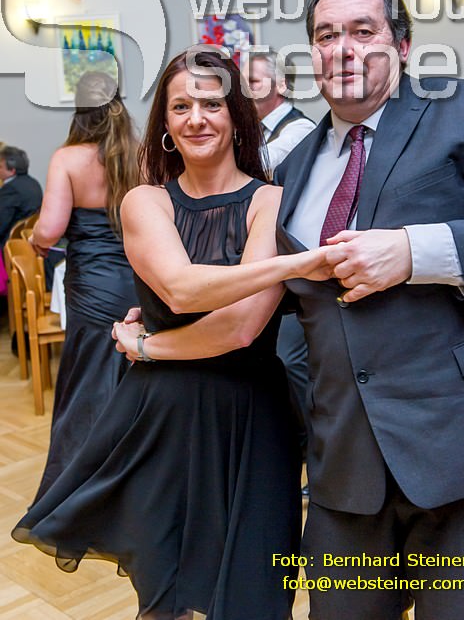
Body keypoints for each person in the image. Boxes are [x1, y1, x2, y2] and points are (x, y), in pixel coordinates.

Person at [12, 48, 338, 620]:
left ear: (236, 115)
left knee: (256, 594)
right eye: (180, 106)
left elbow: (241, 326)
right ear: (164, 123)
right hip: (164, 414)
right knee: (163, 596)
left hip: (253, 416)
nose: (196, 118)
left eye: (211, 104)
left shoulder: (272, 200)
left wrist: (147, 345)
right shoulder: (145, 201)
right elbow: (183, 291)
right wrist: (292, 264)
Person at [273, 0, 464, 620]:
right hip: (344, 470)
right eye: (325, 35)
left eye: (362, 31)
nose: (342, 49)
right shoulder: (290, 170)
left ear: (400, 45)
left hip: (463, 459)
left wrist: (413, 252)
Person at [27, 71, 139, 499]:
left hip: (93, 285)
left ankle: (77, 490)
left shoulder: (68, 158)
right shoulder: (137, 153)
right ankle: (130, 482)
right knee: (134, 374)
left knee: (88, 383)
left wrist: (37, 241)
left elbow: (50, 228)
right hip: (137, 280)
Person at [249, 49, 315, 471]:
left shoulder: (300, 129)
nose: (242, 91)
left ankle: (318, 454)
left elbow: (255, 169)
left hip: (296, 261)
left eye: (252, 82)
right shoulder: (253, 131)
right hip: (266, 262)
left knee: (291, 362)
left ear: (281, 85)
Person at [0, 145, 42, 249]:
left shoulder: (11, 189)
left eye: (0, 167)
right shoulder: (33, 183)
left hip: (8, 244)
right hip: (24, 242)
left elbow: (1, 223)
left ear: (12, 170)